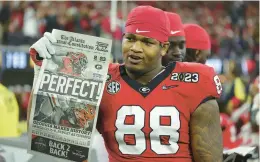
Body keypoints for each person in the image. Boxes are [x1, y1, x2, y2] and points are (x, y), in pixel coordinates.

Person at [28, 6, 223, 162]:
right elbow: (52, 139)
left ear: (163, 48)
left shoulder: (194, 81)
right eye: (130, 39)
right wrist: (44, 78)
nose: (135, 49)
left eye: (147, 42)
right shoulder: (100, 78)